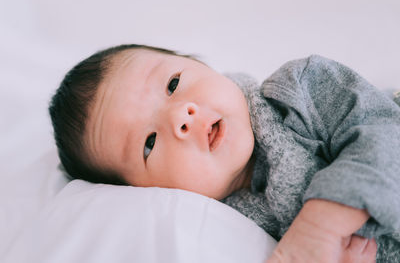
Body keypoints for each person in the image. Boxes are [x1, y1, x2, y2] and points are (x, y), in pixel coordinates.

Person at [49, 44, 400, 262]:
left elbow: (385, 135)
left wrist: (318, 229)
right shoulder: (218, 232)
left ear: (203, 64)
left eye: (173, 84)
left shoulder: (300, 89)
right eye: (149, 143)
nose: (180, 118)